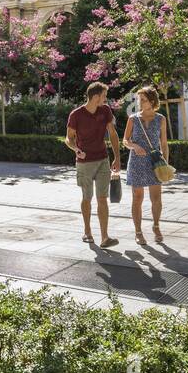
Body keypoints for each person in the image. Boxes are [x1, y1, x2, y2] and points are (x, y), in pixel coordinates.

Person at [65, 81, 121, 248]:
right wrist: (76, 149)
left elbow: (112, 133)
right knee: (87, 198)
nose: (106, 99)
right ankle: (87, 231)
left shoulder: (105, 111)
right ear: (96, 97)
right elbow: (68, 138)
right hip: (84, 163)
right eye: (104, 96)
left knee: (102, 198)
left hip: (103, 160)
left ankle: (105, 237)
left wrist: (117, 157)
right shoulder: (76, 114)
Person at [122, 85, 168, 245]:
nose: (140, 102)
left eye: (143, 100)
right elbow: (125, 141)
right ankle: (138, 232)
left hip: (154, 162)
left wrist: (166, 164)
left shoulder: (161, 119)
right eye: (139, 99)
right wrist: (134, 146)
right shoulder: (133, 118)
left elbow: (164, 143)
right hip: (136, 162)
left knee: (156, 198)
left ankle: (156, 226)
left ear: (152, 101)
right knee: (137, 198)